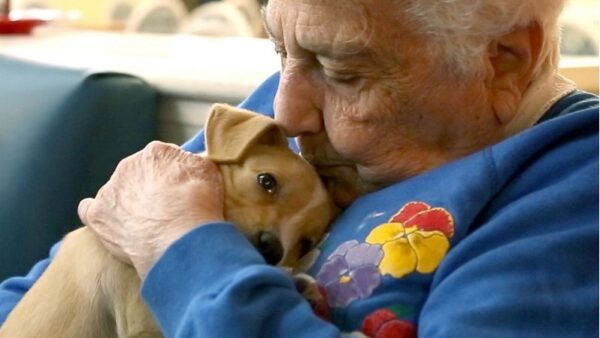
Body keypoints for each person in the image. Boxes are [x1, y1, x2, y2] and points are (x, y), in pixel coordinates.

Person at [1, 0, 598, 337]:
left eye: (344, 71)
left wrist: (178, 244)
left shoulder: (570, 189)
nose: (285, 110)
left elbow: (163, 247)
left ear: (504, 62)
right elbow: (56, 286)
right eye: (281, 50)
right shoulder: (292, 109)